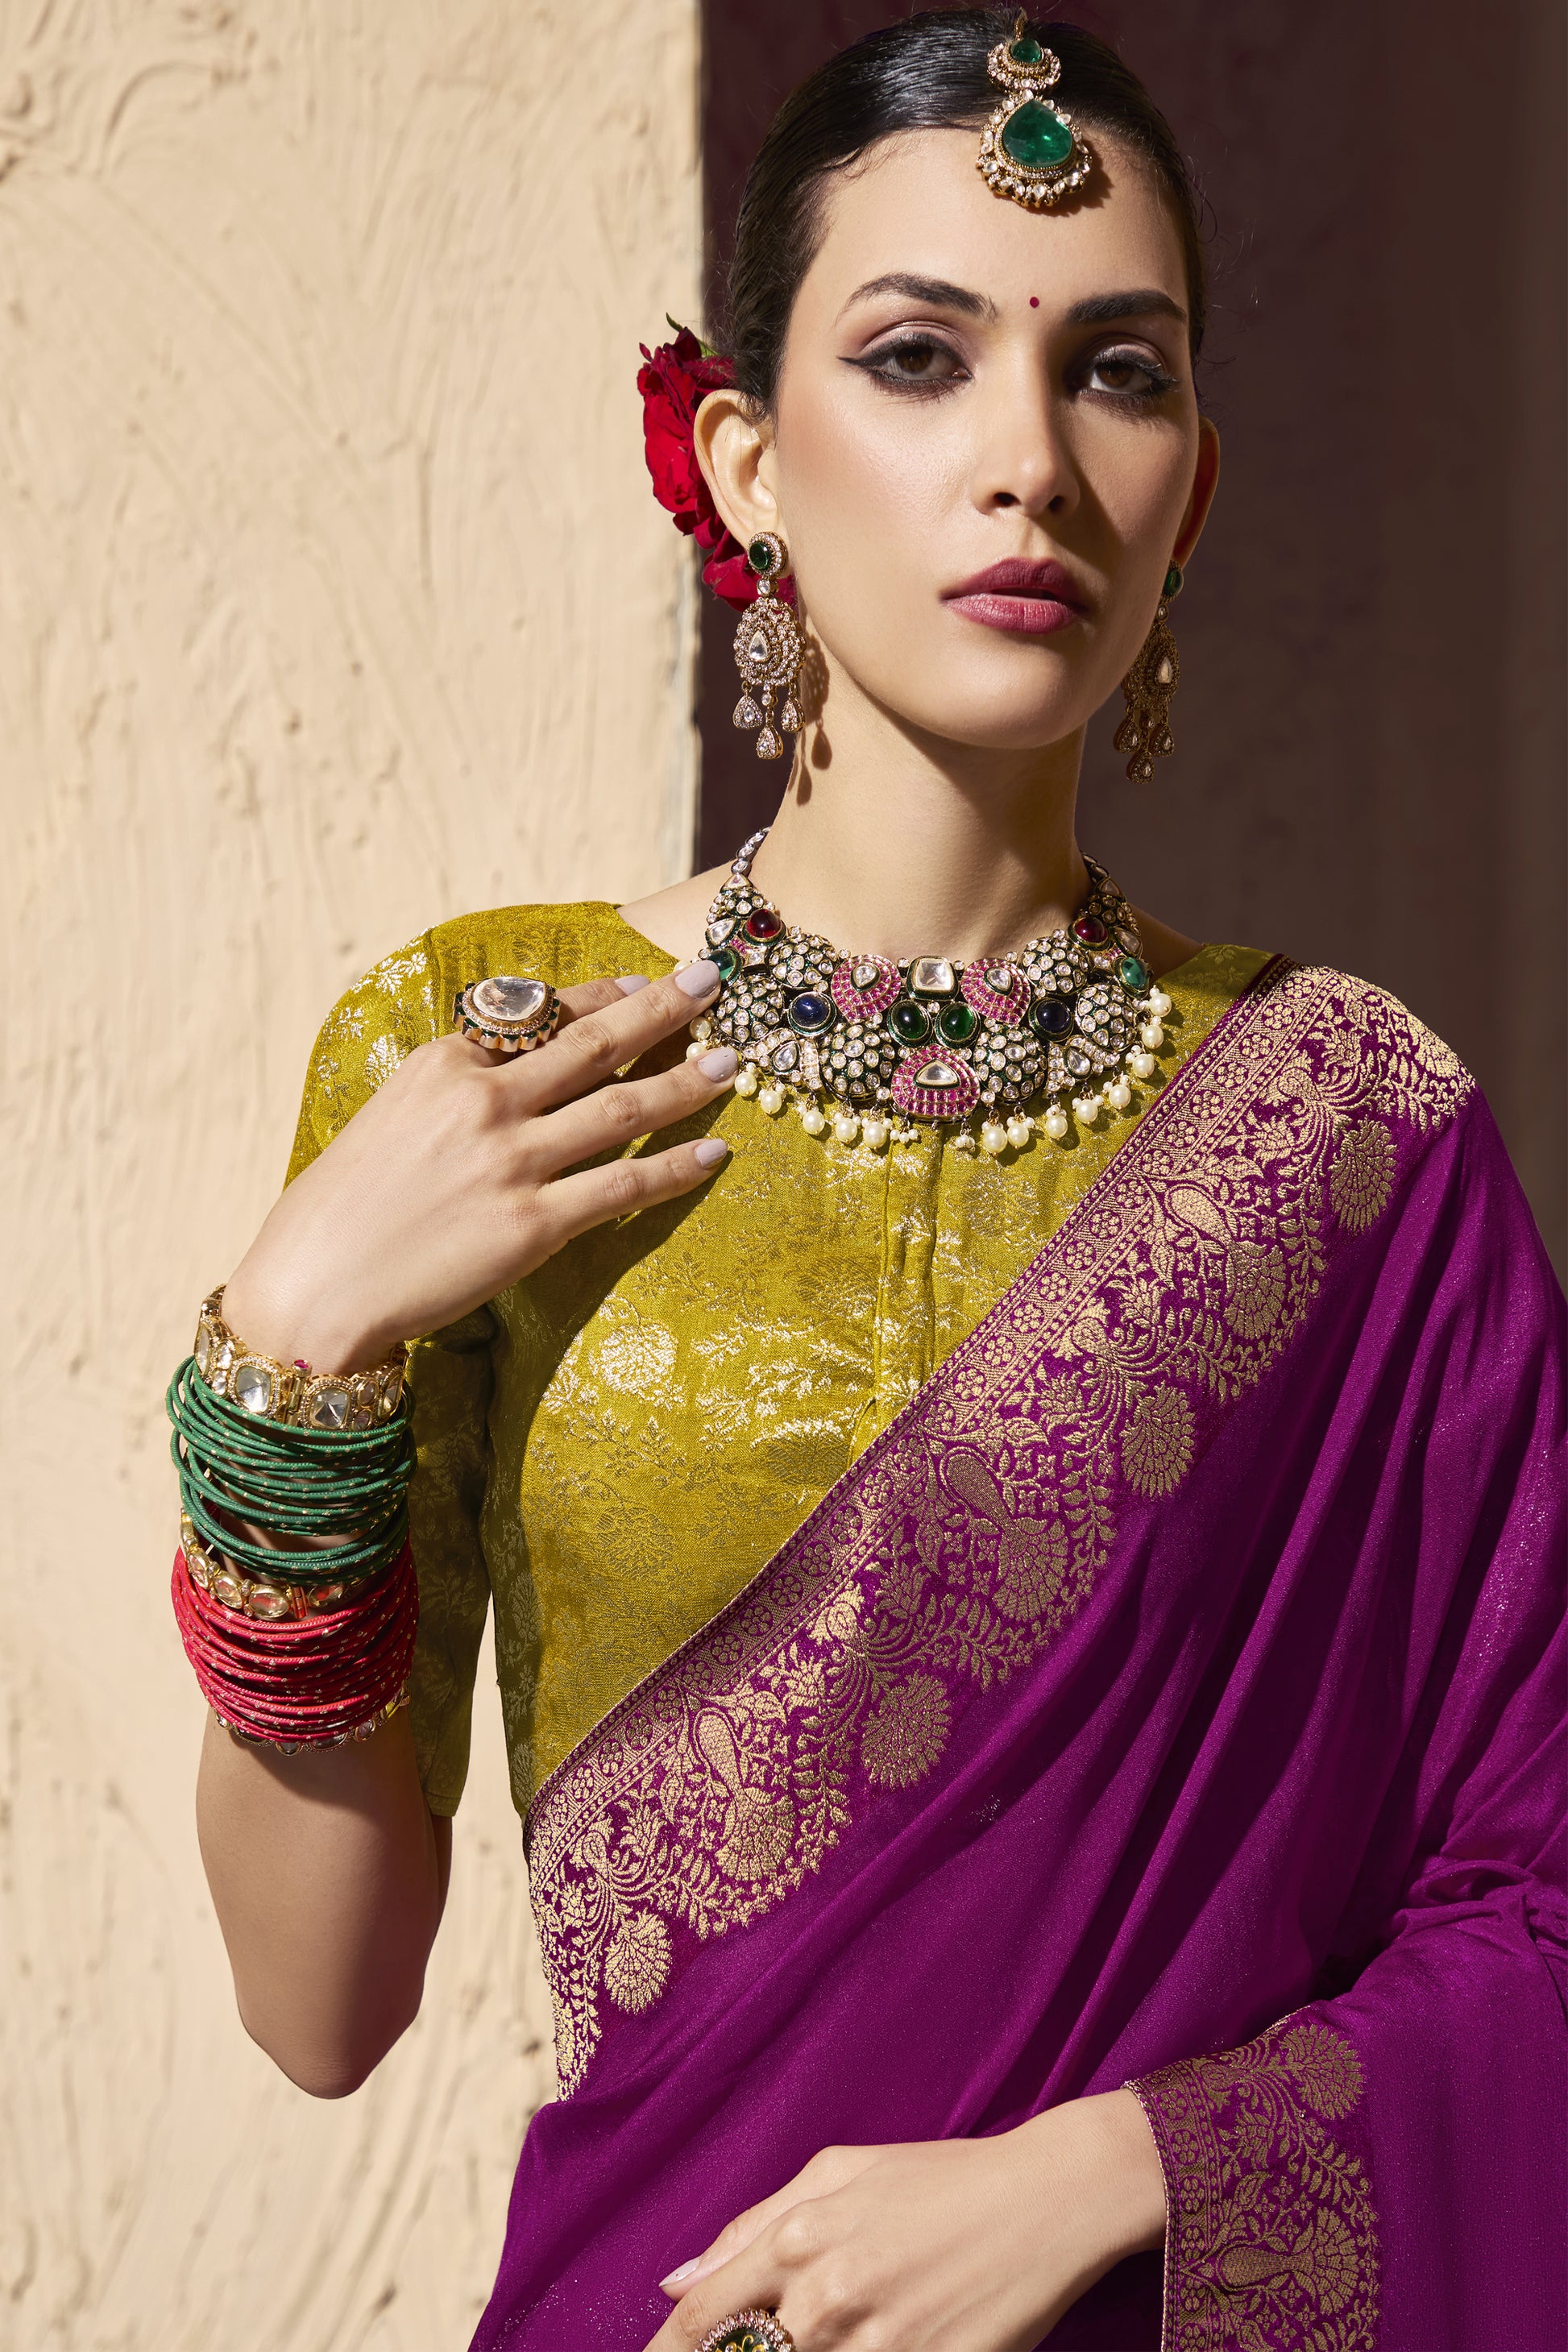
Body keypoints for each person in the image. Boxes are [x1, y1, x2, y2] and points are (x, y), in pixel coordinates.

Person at [176, 12, 1566, 2350]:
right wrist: (284, 1373)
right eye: (916, 357)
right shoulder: (486, 1062)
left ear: (1192, 489)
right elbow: (320, 2006)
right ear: (742, 463)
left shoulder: (1353, 1134)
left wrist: (1100, 2173)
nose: (1027, 461)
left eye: (1114, 373)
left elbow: (1539, 1908)